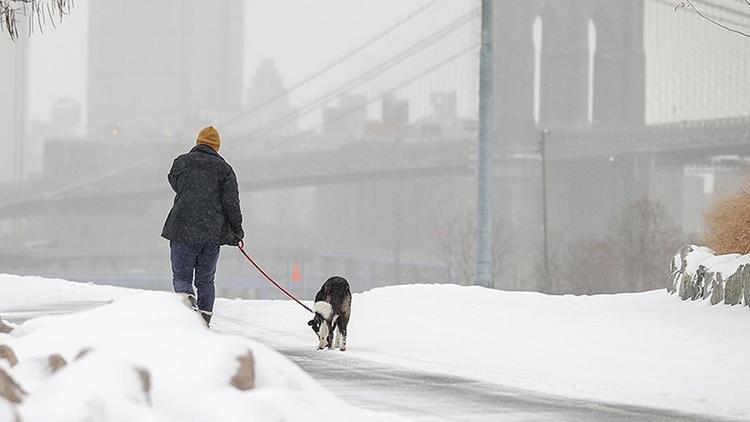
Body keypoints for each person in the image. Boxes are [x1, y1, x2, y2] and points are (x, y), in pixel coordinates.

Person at [161, 126, 244, 326]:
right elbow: (232, 204)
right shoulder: (225, 170)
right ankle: (204, 319)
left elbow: (175, 182)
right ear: (217, 147)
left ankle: (187, 304)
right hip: (211, 233)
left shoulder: (181, 162)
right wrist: (237, 231)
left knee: (182, 277)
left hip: (181, 229)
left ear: (198, 142)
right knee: (206, 280)